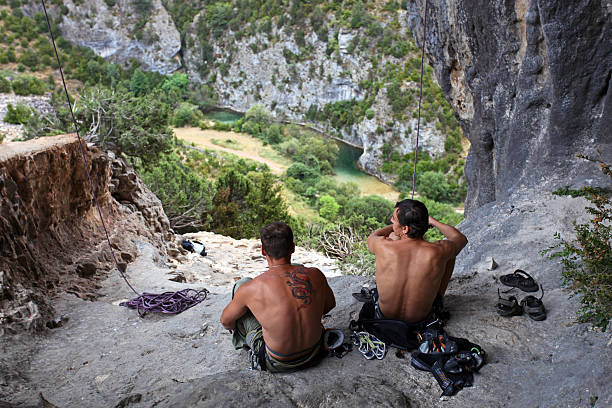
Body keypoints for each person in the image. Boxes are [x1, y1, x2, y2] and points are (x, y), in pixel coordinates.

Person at [220, 222, 336, 372]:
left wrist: (268, 318)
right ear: (293, 247)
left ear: (263, 250)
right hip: (315, 352)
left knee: (240, 285)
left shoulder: (250, 288)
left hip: (277, 362)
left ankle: (251, 339)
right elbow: (329, 305)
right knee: (299, 269)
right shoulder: (316, 274)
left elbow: (226, 321)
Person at [366, 199, 468, 324]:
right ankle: (438, 299)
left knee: (392, 237)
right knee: (450, 255)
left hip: (384, 317)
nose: (391, 221)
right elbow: (460, 239)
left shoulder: (383, 246)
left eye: (393, 219)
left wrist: (396, 229)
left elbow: (372, 237)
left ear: (405, 229)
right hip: (421, 320)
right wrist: (431, 222)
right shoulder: (440, 251)